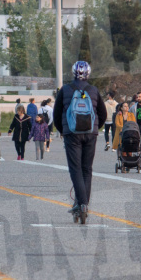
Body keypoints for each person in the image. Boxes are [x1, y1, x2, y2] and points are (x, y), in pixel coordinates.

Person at [53, 61, 107, 221]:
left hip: (72, 133)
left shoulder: (65, 90)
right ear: (88, 74)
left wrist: (63, 131)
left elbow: (56, 114)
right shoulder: (94, 90)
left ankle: (81, 203)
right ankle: (84, 203)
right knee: (86, 169)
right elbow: (102, 113)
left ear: (73, 73)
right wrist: (95, 128)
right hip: (91, 133)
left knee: (75, 169)